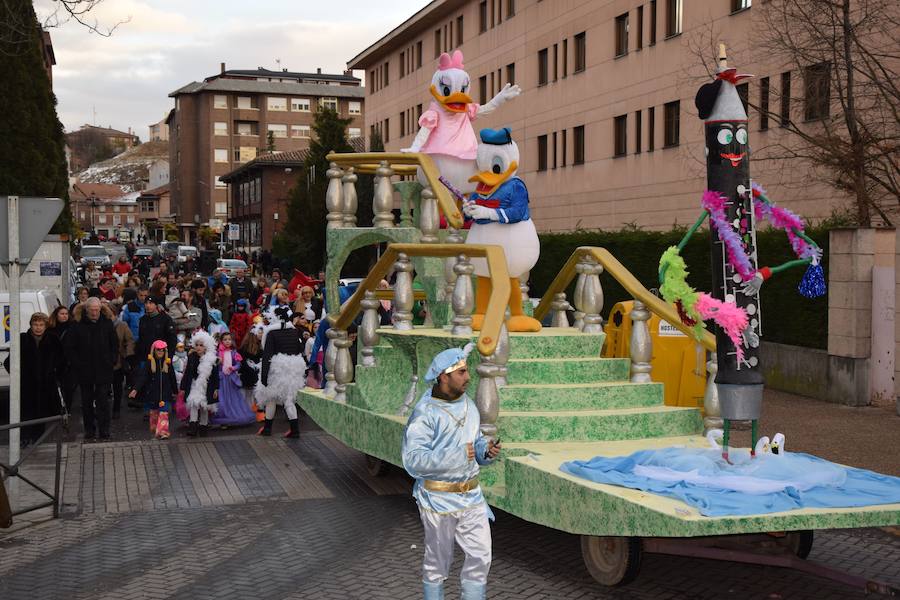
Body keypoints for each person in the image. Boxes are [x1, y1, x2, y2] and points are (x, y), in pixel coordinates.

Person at [402, 345, 502, 600]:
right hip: (438, 500)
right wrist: (461, 454)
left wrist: (484, 452)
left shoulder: (469, 405)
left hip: (472, 498)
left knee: (481, 556)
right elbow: (413, 461)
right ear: (443, 377)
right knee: (437, 563)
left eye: (467, 371)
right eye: (461, 372)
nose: (468, 377)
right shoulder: (425, 413)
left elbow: (475, 442)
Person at [3, 313, 65, 446]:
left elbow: (62, 360)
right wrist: (19, 377)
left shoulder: (53, 339)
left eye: (41, 325)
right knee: (26, 414)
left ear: (46, 326)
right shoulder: (22, 339)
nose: (38, 328)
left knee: (42, 414)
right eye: (35, 324)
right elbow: (9, 362)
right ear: (31, 325)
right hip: (27, 386)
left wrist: (54, 374)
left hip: (46, 385)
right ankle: (24, 439)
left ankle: (38, 440)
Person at [65, 298, 118, 441]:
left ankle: (104, 430)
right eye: (92, 310)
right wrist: (78, 363)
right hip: (85, 371)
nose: (95, 313)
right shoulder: (77, 325)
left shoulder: (107, 324)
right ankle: (89, 430)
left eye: (97, 310)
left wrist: (111, 360)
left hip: (103, 369)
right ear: (86, 310)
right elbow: (70, 348)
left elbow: (114, 344)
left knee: (103, 401)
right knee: (86, 402)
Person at [256, 306, 306, 438]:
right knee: (289, 400)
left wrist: (264, 376)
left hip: (276, 370)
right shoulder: (294, 331)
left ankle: (267, 429)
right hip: (293, 370)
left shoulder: (271, 333)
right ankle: (295, 430)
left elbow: (267, 356)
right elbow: (300, 349)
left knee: (271, 398)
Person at [129, 340, 177, 439]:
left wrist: (176, 391)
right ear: (154, 351)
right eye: (158, 350)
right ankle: (156, 430)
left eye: (162, 350)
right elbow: (143, 377)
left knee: (164, 413)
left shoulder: (167, 364)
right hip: (153, 394)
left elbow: (173, 378)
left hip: (165, 394)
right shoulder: (149, 363)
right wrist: (135, 389)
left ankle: (163, 432)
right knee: (154, 415)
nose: (160, 352)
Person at [210, 332, 256, 426]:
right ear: (221, 341)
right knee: (222, 398)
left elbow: (238, 364)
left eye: (229, 339)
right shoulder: (218, 353)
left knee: (233, 398)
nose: (227, 341)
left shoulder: (234, 352)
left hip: (231, 379)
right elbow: (214, 365)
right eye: (225, 339)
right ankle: (223, 416)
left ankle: (232, 415)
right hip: (222, 379)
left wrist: (234, 368)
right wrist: (218, 362)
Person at [181, 330, 219, 437]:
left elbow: (215, 375)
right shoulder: (192, 357)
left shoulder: (212, 359)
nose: (198, 347)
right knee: (193, 404)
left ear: (206, 347)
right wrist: (183, 387)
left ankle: (203, 426)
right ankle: (192, 427)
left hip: (207, 387)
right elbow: (188, 372)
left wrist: (216, 388)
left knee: (204, 407)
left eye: (201, 345)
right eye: (196, 345)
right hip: (194, 385)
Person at [48, 306, 76, 411]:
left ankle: (67, 409)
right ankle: (57, 407)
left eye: (66, 314)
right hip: (54, 362)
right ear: (56, 315)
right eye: (62, 314)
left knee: (69, 388)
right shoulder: (50, 329)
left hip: (68, 363)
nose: (64, 316)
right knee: (55, 387)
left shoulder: (73, 327)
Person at [111, 304, 135, 419]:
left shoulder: (122, 325)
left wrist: (127, 355)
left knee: (117, 387)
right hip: (103, 362)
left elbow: (129, 340)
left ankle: (116, 408)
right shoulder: (100, 325)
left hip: (118, 361)